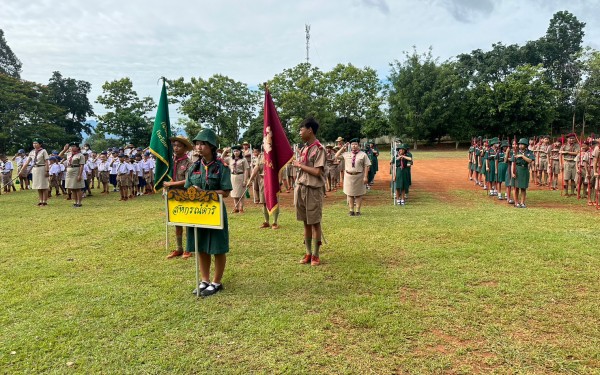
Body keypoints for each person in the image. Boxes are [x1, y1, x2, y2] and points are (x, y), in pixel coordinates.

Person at [186, 129, 232, 297]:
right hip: (197, 212)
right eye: (197, 143)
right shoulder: (194, 167)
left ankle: (216, 282)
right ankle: (204, 280)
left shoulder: (221, 167)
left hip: (215, 211)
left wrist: (205, 194)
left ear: (211, 147)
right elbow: (187, 189)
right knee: (201, 246)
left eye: (202, 143)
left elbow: (225, 192)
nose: (198, 146)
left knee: (218, 247)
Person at [293, 117, 326, 266]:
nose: (300, 132)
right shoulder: (305, 148)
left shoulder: (319, 149)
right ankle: (307, 253)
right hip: (301, 188)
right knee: (305, 222)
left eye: (301, 129)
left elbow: (317, 171)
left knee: (315, 223)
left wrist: (300, 165)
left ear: (310, 130)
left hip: (313, 190)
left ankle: (316, 255)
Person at [163, 136, 195, 259]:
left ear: (185, 148)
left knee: (187, 223)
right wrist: (167, 188)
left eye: (179, 146)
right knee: (176, 222)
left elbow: (188, 180)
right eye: (174, 145)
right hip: (173, 195)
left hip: (185, 194)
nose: (176, 148)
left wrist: (171, 184)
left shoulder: (189, 163)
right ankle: (179, 248)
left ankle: (188, 248)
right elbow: (167, 176)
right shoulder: (170, 162)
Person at [335, 138, 371, 216]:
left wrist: (365, 177)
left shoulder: (363, 154)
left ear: (358, 145)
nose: (354, 146)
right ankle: (351, 210)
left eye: (355, 144)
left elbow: (367, 166)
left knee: (359, 194)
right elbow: (336, 156)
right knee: (350, 194)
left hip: (359, 176)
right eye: (352, 144)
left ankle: (358, 211)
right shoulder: (346, 154)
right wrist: (343, 147)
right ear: (350, 145)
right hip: (348, 176)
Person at [247, 146, 281, 229]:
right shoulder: (261, 156)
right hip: (263, 182)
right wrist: (250, 179)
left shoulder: (275, 155)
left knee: (274, 202)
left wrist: (279, 181)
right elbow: (256, 168)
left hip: (273, 182)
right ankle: (266, 222)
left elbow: (280, 169)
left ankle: (275, 222)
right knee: (264, 202)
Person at [19, 138, 50, 206]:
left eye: (36, 143)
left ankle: (44, 201)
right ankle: (40, 200)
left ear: (40, 144)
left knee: (43, 186)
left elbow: (46, 162)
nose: (34, 145)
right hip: (35, 169)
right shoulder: (32, 152)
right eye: (34, 143)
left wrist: (47, 171)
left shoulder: (43, 151)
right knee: (38, 186)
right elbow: (27, 162)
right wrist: (22, 170)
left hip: (42, 168)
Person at [60, 142, 86, 207]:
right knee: (72, 187)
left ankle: (79, 202)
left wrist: (79, 175)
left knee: (78, 187)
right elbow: (60, 155)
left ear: (77, 147)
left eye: (74, 146)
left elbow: (81, 166)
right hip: (69, 171)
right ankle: (75, 201)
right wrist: (65, 149)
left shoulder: (80, 155)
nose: (72, 147)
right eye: (71, 146)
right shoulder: (69, 154)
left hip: (76, 170)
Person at [227, 145, 250, 213]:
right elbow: (221, 159)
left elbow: (246, 170)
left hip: (240, 176)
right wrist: (225, 151)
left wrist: (245, 180)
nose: (236, 152)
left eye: (237, 151)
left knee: (241, 194)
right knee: (234, 194)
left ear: (240, 151)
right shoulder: (230, 159)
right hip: (233, 177)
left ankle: (241, 208)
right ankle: (236, 207)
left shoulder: (243, 159)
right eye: (234, 151)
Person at [513, 138, 535, 208]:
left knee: (523, 187)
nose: (520, 145)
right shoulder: (515, 152)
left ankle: (522, 202)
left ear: (526, 145)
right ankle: (516, 202)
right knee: (516, 187)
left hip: (525, 169)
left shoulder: (529, 152)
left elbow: (530, 160)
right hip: (517, 169)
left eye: (522, 144)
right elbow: (513, 162)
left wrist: (522, 156)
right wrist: (513, 172)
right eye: (519, 144)